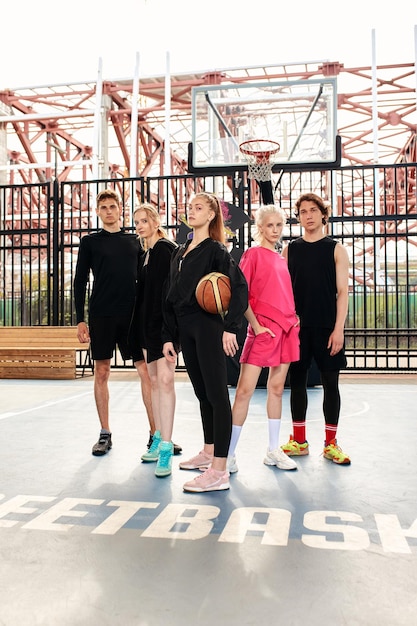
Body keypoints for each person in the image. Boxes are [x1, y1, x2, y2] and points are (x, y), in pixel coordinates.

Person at [162, 191, 248, 492]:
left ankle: (220, 471)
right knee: (202, 394)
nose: (192, 211)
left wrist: (229, 328)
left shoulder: (216, 250)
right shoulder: (180, 252)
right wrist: (169, 337)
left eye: (199, 207)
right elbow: (170, 297)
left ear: (211, 215)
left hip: (208, 327)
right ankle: (210, 451)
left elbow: (239, 287)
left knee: (217, 396)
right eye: (190, 207)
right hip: (186, 329)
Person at [74, 188, 156, 456]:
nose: (109, 211)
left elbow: (146, 281)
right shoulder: (90, 242)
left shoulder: (135, 241)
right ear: (98, 212)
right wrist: (80, 319)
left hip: (131, 316)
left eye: (113, 206)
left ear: (120, 209)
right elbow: (80, 281)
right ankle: (105, 433)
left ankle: (156, 434)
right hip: (101, 314)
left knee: (145, 373)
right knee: (102, 372)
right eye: (104, 207)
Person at [227, 205, 300, 472]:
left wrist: (293, 318)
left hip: (287, 329)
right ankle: (229, 455)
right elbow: (240, 293)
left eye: (279, 226)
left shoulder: (281, 258)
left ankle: (272, 450)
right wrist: (256, 326)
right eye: (270, 226)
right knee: (244, 391)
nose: (275, 231)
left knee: (277, 390)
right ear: (260, 227)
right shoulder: (252, 254)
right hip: (263, 330)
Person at [281, 192, 351, 464]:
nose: (308, 216)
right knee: (296, 384)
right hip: (297, 329)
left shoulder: (336, 249)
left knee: (330, 384)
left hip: (326, 328)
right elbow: (284, 292)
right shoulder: (291, 250)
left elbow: (343, 292)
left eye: (313, 210)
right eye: (302, 212)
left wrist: (338, 329)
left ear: (323, 214)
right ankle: (299, 441)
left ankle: (331, 444)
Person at [129, 203, 178, 477]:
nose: (139, 225)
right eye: (136, 222)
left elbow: (169, 294)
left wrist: (169, 333)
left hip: (164, 329)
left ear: (155, 221)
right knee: (155, 383)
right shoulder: (145, 252)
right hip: (147, 328)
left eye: (144, 220)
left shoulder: (164, 249)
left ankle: (167, 449)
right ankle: (158, 438)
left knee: (166, 381)